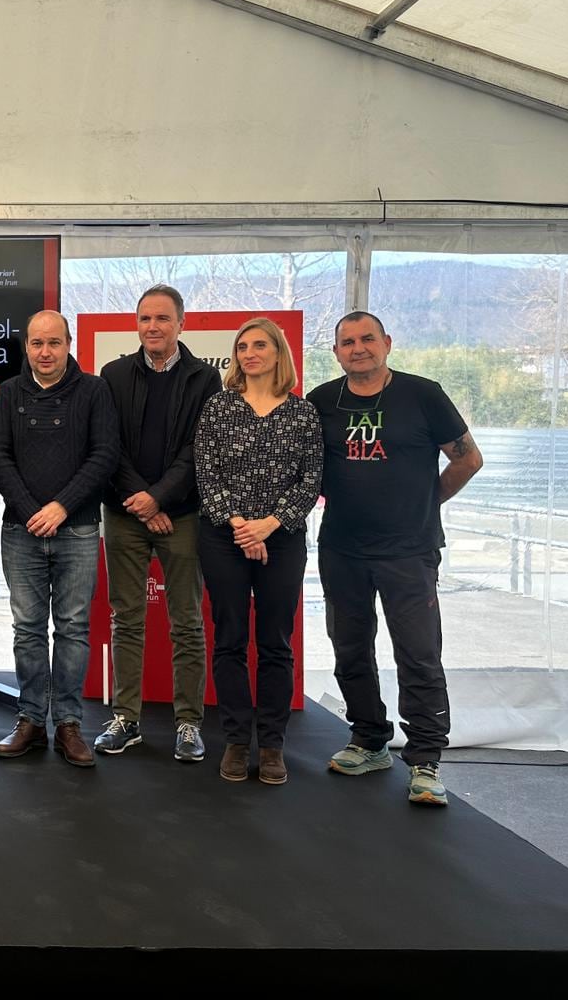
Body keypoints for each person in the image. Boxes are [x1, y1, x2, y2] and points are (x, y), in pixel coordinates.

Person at [307, 311, 483, 806]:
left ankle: (425, 759)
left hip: (410, 552)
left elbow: (468, 458)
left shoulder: (422, 394)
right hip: (342, 549)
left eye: (367, 339)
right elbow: (306, 468)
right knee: (349, 648)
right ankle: (369, 739)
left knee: (419, 654)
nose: (358, 348)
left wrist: (427, 504)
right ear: (336, 351)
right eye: (347, 342)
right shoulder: (322, 401)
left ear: (387, 343)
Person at [194, 318, 322, 786]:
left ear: (277, 353)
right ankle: (235, 740)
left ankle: (271, 744)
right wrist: (241, 528)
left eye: (260, 345)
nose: (250, 353)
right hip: (223, 536)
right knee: (228, 640)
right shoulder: (218, 408)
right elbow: (206, 475)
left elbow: (311, 481)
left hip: (282, 539)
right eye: (242, 346)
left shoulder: (301, 413)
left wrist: (268, 526)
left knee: (275, 644)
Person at [0, 311, 119, 768]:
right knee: (27, 631)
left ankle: (67, 724)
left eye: (54, 343)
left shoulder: (94, 391)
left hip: (79, 528)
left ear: (69, 344)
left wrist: (61, 507)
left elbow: (104, 455)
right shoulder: (9, 393)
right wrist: (30, 511)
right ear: (27, 347)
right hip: (21, 531)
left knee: (72, 629)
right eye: (37, 343)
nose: (45, 352)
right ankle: (30, 720)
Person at [96, 284, 220, 762]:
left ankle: (188, 723)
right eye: (145, 318)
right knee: (126, 619)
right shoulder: (112, 374)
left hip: (184, 514)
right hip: (126, 511)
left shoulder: (205, 379)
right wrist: (142, 500)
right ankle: (125, 719)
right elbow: (111, 447)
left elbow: (198, 450)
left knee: (187, 621)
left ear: (181, 324)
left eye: (163, 319)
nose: (153, 327)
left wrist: (161, 498)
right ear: (137, 324)